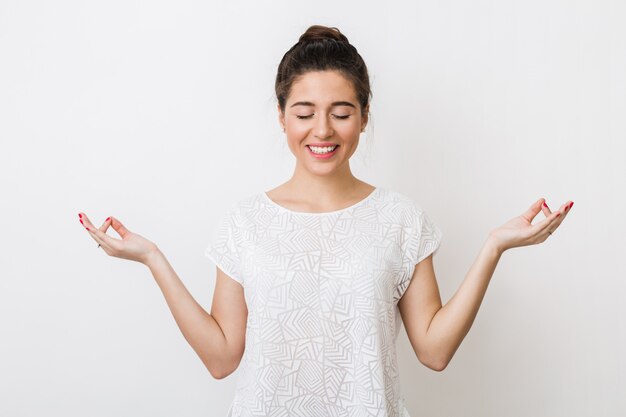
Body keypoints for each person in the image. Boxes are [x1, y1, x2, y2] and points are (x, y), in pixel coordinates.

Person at [78, 24, 573, 417]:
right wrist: (151, 258)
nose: (322, 129)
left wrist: (494, 246)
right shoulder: (244, 223)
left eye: (341, 112)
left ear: (364, 115)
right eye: (304, 112)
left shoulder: (400, 218)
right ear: (281, 116)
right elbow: (222, 357)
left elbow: (435, 352)